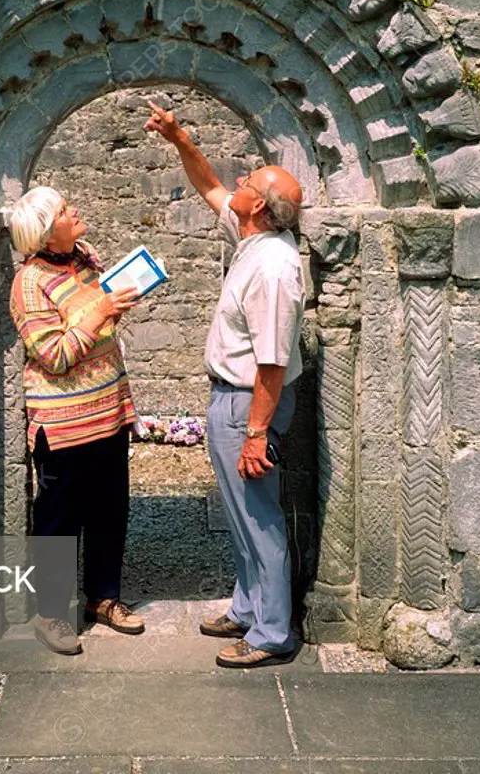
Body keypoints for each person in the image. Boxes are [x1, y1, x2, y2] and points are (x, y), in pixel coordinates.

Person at [144, 101, 306, 669]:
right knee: (240, 512)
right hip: (233, 400)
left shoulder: (273, 268)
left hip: (249, 404)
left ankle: (271, 635)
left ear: (258, 204)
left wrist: (257, 432)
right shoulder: (249, 237)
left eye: (250, 181)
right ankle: (247, 606)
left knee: (258, 516)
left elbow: (272, 361)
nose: (238, 181)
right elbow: (210, 184)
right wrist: (178, 137)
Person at [7, 186, 146, 655]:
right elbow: (55, 355)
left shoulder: (84, 258)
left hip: (105, 411)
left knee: (110, 510)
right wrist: (101, 311)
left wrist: (112, 306)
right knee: (59, 521)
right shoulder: (29, 284)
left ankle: (103, 598)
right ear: (48, 230)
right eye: (66, 210)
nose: (76, 211)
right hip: (63, 422)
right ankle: (51, 614)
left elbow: (99, 327)